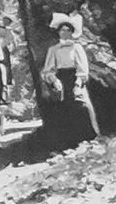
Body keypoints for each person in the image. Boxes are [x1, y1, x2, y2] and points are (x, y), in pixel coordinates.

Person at [41, 12, 99, 143]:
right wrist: (54, 80)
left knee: (82, 106)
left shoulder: (77, 48)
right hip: (61, 80)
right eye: (62, 30)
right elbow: (47, 70)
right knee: (60, 109)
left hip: (75, 79)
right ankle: (65, 142)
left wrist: (78, 84)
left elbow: (83, 69)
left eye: (68, 30)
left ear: (72, 32)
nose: (65, 33)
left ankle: (89, 139)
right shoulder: (54, 49)